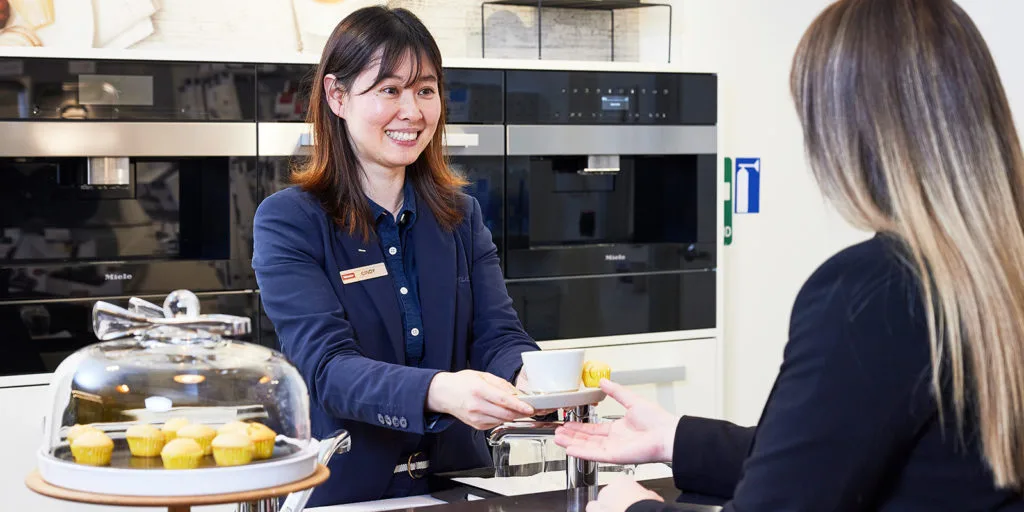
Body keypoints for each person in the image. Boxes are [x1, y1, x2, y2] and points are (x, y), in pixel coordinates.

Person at [556, 0, 1024, 510]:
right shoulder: (990, 273)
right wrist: (676, 438)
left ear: (849, 133)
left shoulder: (874, 293)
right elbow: (837, 457)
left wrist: (632, 508)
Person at [252, 6, 540, 506]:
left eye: (425, 90)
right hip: (344, 491)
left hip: (458, 484)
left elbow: (498, 336)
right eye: (389, 89)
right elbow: (328, 370)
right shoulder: (289, 221)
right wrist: (440, 390)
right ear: (337, 96)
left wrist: (531, 375)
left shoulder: (460, 216)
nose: (412, 111)